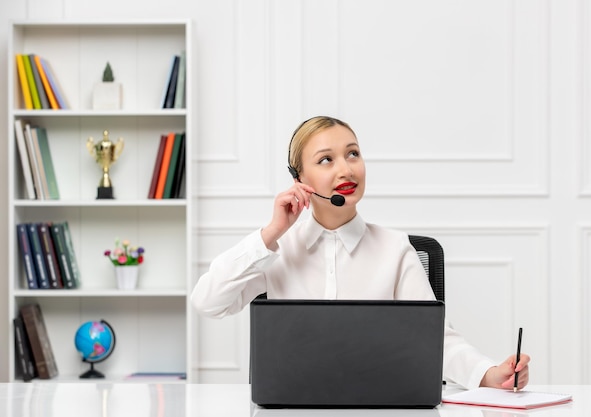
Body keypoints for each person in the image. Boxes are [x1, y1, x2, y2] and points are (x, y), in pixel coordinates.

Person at [191, 116, 530, 390]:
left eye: (353, 154)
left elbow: (435, 340)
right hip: (293, 406)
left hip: (379, 404)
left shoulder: (395, 249)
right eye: (326, 160)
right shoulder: (277, 248)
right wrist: (271, 233)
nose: (346, 169)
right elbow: (208, 302)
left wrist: (488, 374)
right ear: (300, 178)